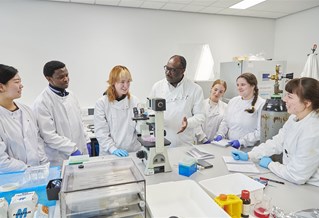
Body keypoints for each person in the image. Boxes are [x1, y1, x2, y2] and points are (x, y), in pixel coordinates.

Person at [232, 77, 319, 186]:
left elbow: (297, 175)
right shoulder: (294, 118)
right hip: (292, 181)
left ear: (307, 103)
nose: (284, 99)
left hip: (311, 189)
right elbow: (277, 142)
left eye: (290, 97)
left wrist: (270, 165)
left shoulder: (313, 130)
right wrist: (250, 155)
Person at [32, 61, 90, 166]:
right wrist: (72, 149)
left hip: (80, 152)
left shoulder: (71, 96)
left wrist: (87, 140)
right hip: (60, 158)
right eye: (60, 77)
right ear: (49, 78)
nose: (66, 79)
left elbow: (79, 123)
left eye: (67, 75)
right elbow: (49, 136)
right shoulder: (42, 102)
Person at [0, 64, 48, 173]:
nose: (21, 86)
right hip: (10, 179)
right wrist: (28, 169)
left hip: (38, 174)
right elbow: (1, 161)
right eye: (16, 82)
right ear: (1, 87)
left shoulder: (26, 110)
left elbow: (37, 140)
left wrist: (43, 164)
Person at [149, 55, 205, 147]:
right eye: (166, 68)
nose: (167, 72)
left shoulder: (195, 89)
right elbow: (149, 110)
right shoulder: (157, 87)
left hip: (184, 142)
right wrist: (155, 118)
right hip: (162, 140)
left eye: (173, 70)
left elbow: (200, 116)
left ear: (183, 71)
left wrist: (188, 123)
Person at [94, 65, 141, 157]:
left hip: (132, 152)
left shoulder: (135, 101)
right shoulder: (102, 103)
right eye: (122, 82)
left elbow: (139, 128)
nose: (126, 85)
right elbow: (101, 132)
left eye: (128, 81)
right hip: (110, 153)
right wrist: (113, 149)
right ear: (113, 82)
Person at [214, 72, 266, 149]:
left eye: (243, 85)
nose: (239, 87)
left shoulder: (261, 104)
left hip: (249, 150)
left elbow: (260, 132)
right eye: (238, 85)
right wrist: (220, 134)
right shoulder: (233, 101)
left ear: (252, 86)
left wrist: (241, 141)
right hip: (230, 146)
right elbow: (225, 122)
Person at [195, 79, 227, 144]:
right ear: (211, 88)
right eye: (215, 89)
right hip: (200, 142)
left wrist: (220, 135)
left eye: (221, 92)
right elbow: (196, 124)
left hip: (217, 143)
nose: (217, 93)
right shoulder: (200, 104)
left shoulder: (226, 107)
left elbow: (224, 124)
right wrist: (203, 138)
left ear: (223, 93)